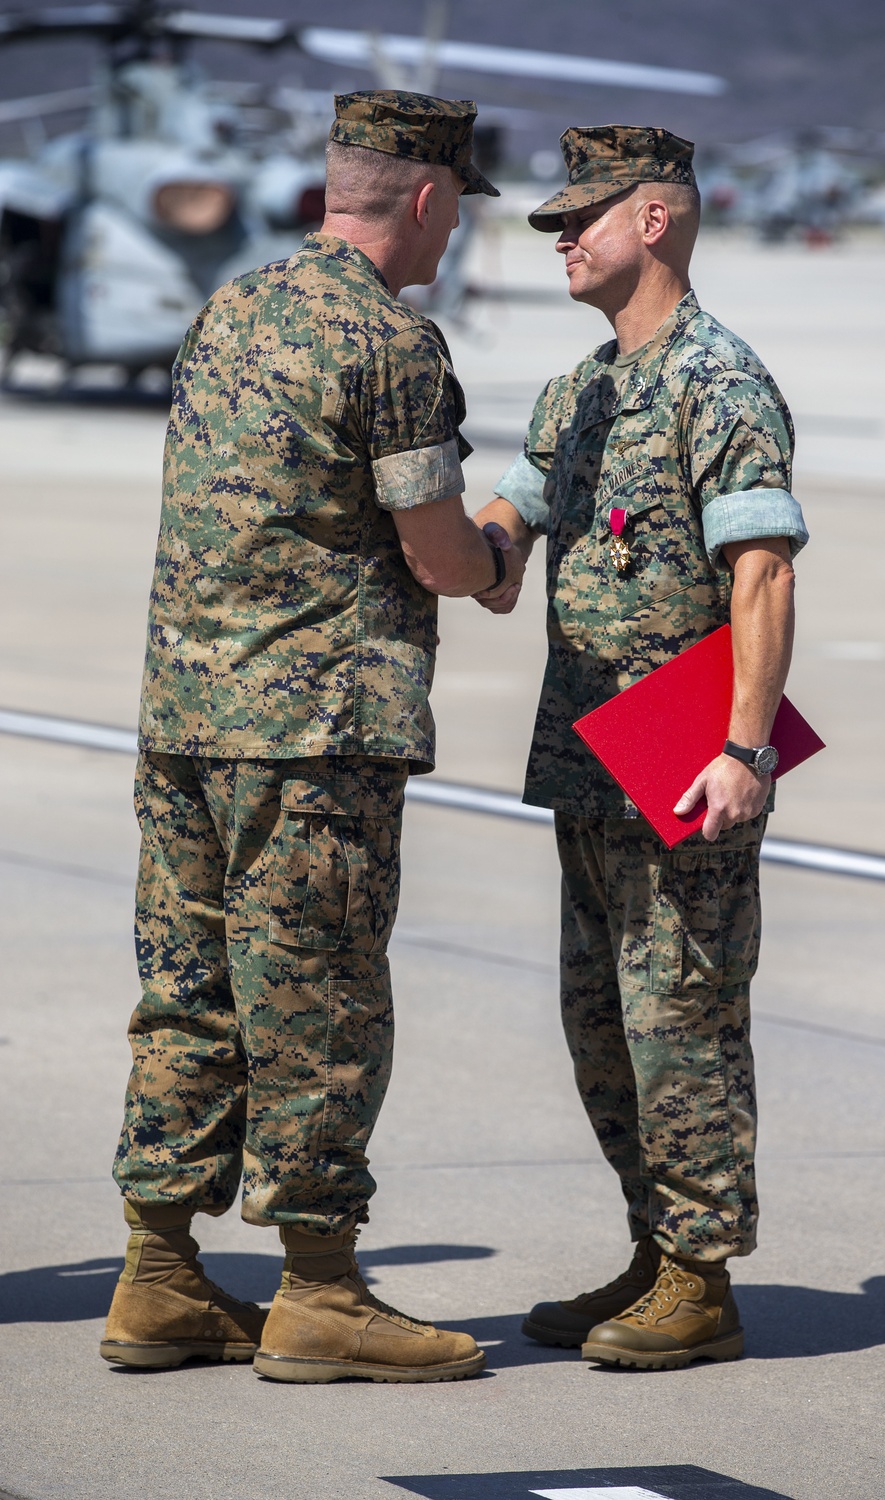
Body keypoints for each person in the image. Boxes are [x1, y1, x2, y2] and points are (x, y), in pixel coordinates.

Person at [100, 90, 520, 1385]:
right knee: (318, 1001)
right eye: (459, 214)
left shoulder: (233, 308)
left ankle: (158, 1275)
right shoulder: (388, 343)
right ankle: (323, 1289)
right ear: (433, 199)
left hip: (186, 719)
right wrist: (505, 548)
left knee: (190, 993)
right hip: (314, 733)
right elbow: (439, 553)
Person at [474, 125, 808, 1369]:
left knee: (683, 1021)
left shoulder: (719, 383)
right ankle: (651, 1244)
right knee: (601, 1022)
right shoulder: (583, 385)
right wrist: (479, 545)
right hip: (588, 757)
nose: (562, 238)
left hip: (682, 760)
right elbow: (519, 503)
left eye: (583, 218)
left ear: (653, 222)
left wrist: (743, 747)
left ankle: (700, 1277)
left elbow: (762, 573)